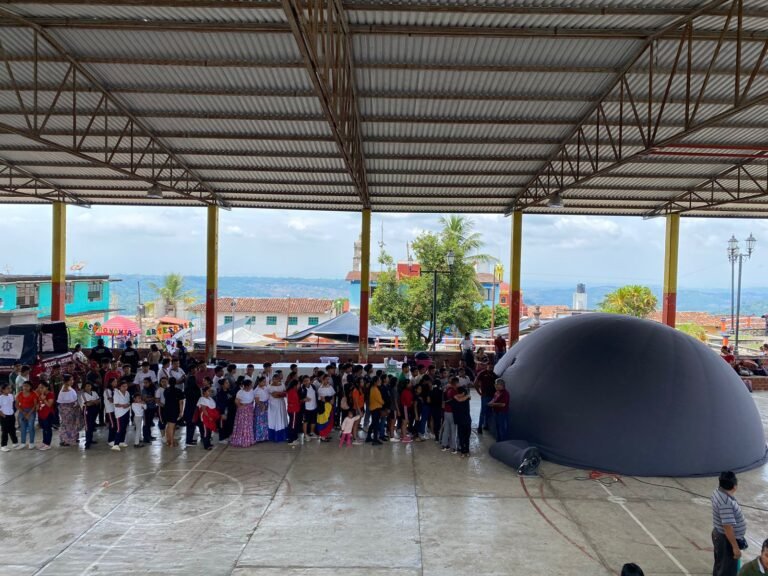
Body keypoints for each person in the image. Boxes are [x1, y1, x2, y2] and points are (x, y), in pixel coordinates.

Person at [712, 471, 747, 576]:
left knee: (720, 565)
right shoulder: (725, 503)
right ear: (734, 486)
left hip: (720, 535)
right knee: (727, 571)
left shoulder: (717, 492)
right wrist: (735, 548)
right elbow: (727, 527)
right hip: (726, 540)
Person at [57, 374, 81, 447]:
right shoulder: (65, 389)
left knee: (72, 423)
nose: (72, 381)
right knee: (67, 424)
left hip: (71, 407)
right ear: (66, 381)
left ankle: (72, 437)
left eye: (72, 379)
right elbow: (70, 400)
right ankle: (64, 440)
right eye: (71, 380)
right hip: (66, 408)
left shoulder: (69, 387)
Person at [230, 379, 255, 448]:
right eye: (250, 385)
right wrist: (241, 406)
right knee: (243, 425)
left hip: (249, 409)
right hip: (243, 411)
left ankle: (249, 440)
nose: (252, 386)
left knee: (249, 425)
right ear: (247, 386)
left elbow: (252, 400)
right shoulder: (240, 392)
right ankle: (242, 440)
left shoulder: (251, 391)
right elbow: (236, 401)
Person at [474, 366, 497, 435]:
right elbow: (475, 383)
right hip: (485, 396)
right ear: (487, 366)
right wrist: (479, 392)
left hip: (492, 396)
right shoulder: (482, 373)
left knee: (489, 411)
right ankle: (480, 427)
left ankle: (486, 425)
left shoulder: (494, 374)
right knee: (483, 412)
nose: (490, 367)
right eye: (489, 366)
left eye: (492, 366)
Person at [184, 363, 202, 446]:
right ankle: (188, 440)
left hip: (190, 408)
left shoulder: (189, 388)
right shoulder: (193, 390)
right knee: (191, 424)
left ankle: (190, 439)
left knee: (192, 424)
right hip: (192, 408)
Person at [267, 373, 288, 442]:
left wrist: (279, 394)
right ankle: (273, 435)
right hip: (273, 405)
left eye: (277, 379)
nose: (275, 380)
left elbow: (285, 393)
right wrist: (279, 394)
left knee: (281, 417)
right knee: (274, 419)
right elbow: (273, 395)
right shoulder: (269, 386)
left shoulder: (282, 385)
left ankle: (283, 435)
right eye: (274, 379)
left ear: (279, 379)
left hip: (281, 404)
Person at [16, 381, 37, 449]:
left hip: (31, 411)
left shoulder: (33, 394)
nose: (25, 387)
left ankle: (31, 443)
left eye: (27, 386)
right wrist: (23, 412)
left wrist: (29, 414)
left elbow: (35, 405)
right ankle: (23, 443)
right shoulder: (20, 394)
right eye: (24, 386)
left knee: (31, 427)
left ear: (30, 387)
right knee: (23, 428)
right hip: (22, 411)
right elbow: (16, 405)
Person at [163, 377, 183, 447]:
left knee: (169, 426)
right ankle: (171, 442)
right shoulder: (178, 391)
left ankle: (169, 441)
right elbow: (181, 402)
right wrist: (181, 412)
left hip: (166, 409)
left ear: (168, 382)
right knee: (172, 426)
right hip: (174, 410)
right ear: (176, 382)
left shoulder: (166, 390)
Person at [452, 385, 472, 457]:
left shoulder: (465, 399)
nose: (457, 394)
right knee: (462, 437)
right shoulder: (464, 398)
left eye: (459, 393)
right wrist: (465, 396)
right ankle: (464, 451)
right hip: (463, 421)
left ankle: (466, 451)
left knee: (465, 437)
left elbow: (461, 399)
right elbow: (461, 398)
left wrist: (465, 396)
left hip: (464, 421)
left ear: (463, 393)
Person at [441, 376, 459, 453]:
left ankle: (444, 445)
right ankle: (454, 447)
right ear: (456, 383)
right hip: (452, 412)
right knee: (453, 430)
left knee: (446, 429)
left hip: (446, 412)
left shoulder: (447, 389)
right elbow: (457, 400)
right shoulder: (454, 391)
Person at [80, 381, 100, 449]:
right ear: (84, 387)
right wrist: (94, 402)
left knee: (92, 425)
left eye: (89, 386)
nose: (88, 387)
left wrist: (92, 402)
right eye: (86, 386)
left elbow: (98, 400)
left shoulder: (94, 393)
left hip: (94, 410)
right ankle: (87, 442)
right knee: (87, 426)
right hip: (87, 410)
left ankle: (90, 440)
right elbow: (87, 404)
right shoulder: (83, 394)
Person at [316, 374, 335, 442]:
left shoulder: (330, 387)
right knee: (324, 421)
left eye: (328, 379)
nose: (327, 381)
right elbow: (322, 399)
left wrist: (332, 400)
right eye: (326, 379)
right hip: (324, 407)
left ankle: (326, 434)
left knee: (330, 420)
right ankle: (322, 436)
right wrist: (329, 399)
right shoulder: (320, 389)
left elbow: (332, 395)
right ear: (323, 380)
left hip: (330, 406)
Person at [112, 381, 131, 451]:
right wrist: (123, 405)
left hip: (126, 412)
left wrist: (128, 405)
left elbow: (129, 402)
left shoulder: (127, 393)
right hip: (119, 413)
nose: (125, 388)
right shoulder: (116, 393)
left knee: (124, 428)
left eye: (126, 386)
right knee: (119, 429)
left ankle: (121, 442)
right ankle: (116, 444)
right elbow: (116, 404)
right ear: (119, 387)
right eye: (123, 386)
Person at [36, 382, 55, 450]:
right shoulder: (40, 394)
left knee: (48, 428)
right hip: (41, 414)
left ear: (47, 387)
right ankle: (44, 442)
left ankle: (48, 444)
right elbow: (38, 404)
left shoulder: (50, 394)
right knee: (44, 429)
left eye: (42, 387)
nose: (40, 389)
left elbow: (49, 405)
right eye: (39, 388)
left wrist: (44, 399)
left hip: (48, 414)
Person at [366, 375, 384, 445]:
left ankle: (368, 437)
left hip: (374, 408)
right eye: (379, 381)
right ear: (375, 382)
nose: (380, 382)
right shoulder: (375, 390)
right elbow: (380, 400)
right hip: (376, 409)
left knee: (373, 423)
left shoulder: (373, 388)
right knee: (375, 424)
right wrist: (383, 402)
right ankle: (375, 439)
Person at [0, 383, 18, 451]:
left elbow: (13, 404)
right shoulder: (0, 398)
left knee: (12, 429)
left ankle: (15, 442)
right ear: (3, 390)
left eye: (10, 388)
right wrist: (3, 415)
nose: (10, 389)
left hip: (11, 415)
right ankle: (3, 445)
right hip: (4, 416)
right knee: (5, 431)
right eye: (8, 388)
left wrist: (13, 411)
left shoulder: (11, 395)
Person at [299, 375, 317, 440]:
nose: (306, 382)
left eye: (307, 380)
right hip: (306, 408)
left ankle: (312, 432)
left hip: (314, 407)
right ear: (303, 382)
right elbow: (299, 399)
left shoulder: (313, 387)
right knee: (305, 422)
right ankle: (305, 435)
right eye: (305, 381)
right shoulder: (301, 389)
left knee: (313, 421)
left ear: (310, 380)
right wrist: (303, 399)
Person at [253, 377, 270, 443]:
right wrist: (262, 406)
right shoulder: (257, 390)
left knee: (265, 422)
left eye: (265, 381)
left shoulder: (265, 388)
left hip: (265, 405)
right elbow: (257, 400)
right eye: (263, 381)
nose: (264, 383)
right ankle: (258, 437)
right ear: (259, 382)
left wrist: (267, 405)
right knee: (259, 422)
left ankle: (265, 436)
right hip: (260, 406)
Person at [286, 378, 302, 446]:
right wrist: (302, 401)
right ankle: (291, 440)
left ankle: (294, 438)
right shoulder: (292, 391)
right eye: (298, 384)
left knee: (294, 424)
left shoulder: (293, 391)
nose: (299, 385)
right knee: (292, 425)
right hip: (293, 410)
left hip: (294, 410)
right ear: (295, 385)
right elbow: (294, 402)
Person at [104, 377, 117, 447]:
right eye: (114, 382)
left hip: (115, 410)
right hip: (109, 410)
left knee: (115, 425)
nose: (116, 383)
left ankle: (114, 438)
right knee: (112, 425)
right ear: (110, 383)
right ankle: (110, 440)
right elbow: (110, 400)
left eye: (116, 382)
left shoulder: (115, 390)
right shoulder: (107, 391)